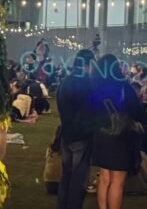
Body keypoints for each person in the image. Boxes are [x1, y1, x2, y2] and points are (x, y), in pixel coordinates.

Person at [89, 54, 147, 209]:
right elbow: (136, 112)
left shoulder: (95, 87)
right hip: (120, 137)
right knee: (117, 181)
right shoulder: (124, 87)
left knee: (104, 178)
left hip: (101, 135)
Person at [56, 49, 95, 209]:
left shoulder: (65, 81)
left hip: (66, 133)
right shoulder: (86, 84)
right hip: (81, 135)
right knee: (78, 178)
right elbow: (90, 110)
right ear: (88, 64)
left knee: (67, 175)